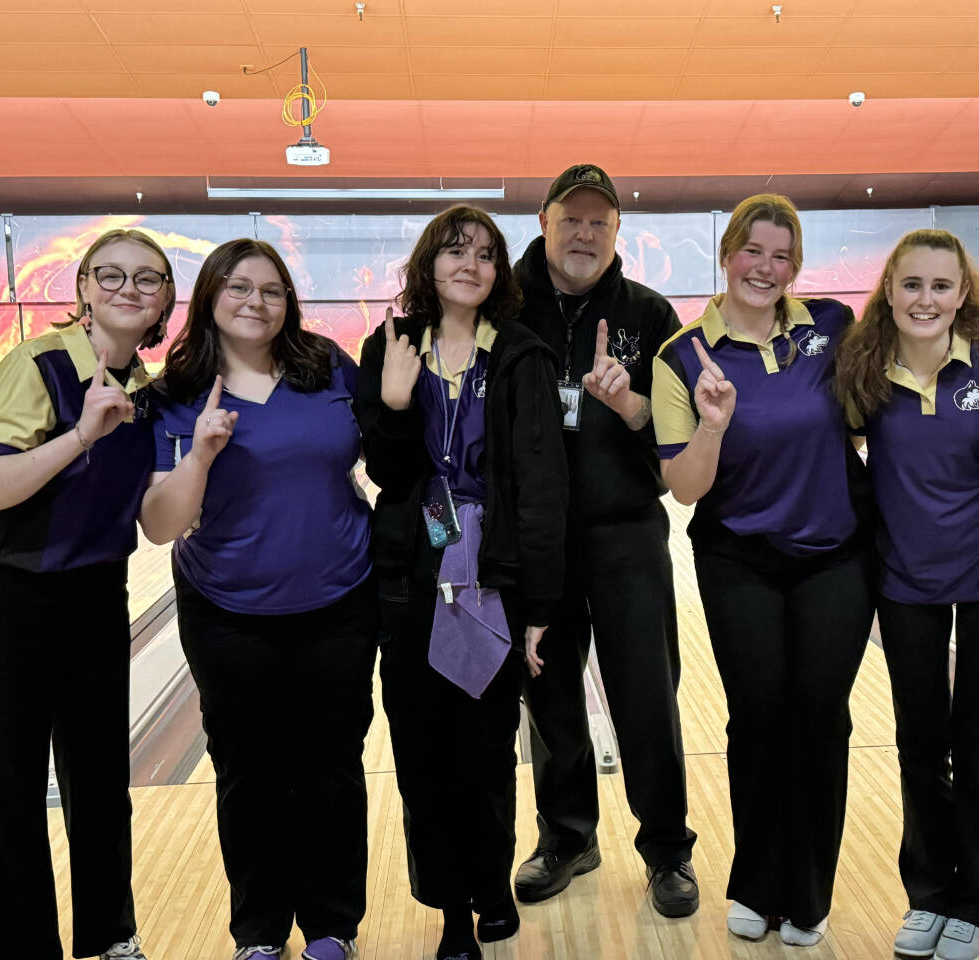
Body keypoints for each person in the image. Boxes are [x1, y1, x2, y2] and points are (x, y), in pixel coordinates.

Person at [138, 239, 376, 960]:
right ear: (211, 296)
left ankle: (333, 926)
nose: (256, 302)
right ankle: (260, 932)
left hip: (340, 596)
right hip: (227, 608)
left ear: (288, 302)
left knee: (332, 765)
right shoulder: (175, 395)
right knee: (250, 772)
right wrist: (203, 453)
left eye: (271, 290)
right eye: (239, 288)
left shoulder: (327, 366)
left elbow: (384, 448)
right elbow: (159, 525)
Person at [652, 193, 874, 947]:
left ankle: (807, 890)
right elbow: (685, 488)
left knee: (821, 717)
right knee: (758, 717)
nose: (766, 268)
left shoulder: (834, 329)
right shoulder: (683, 355)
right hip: (738, 557)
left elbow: (910, 372)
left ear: (797, 267)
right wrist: (714, 424)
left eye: (782, 256)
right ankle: (755, 881)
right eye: (754, 251)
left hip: (835, 556)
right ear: (728, 253)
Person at [355, 206, 568, 960]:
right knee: (424, 751)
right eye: (455, 250)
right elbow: (387, 471)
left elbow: (542, 488)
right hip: (413, 576)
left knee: (484, 749)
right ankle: (450, 909)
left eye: (485, 253)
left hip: (494, 577)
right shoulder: (391, 347)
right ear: (429, 263)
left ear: (499, 271)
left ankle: (490, 885)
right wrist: (394, 403)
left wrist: (539, 606)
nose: (471, 263)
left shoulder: (521, 354)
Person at [837, 230, 979, 960]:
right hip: (906, 582)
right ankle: (928, 894)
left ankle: (975, 904)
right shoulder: (864, 366)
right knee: (920, 744)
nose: (926, 299)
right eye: (911, 285)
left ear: (963, 293)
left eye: (941, 286)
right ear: (889, 292)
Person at [0, 228, 175, 960]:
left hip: (98, 597)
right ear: (85, 289)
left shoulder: (146, 393)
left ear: (164, 304)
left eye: (148, 279)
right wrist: (77, 438)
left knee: (99, 784)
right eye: (112, 275)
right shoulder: (37, 364)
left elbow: (152, 519)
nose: (129, 288)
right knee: (9, 784)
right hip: (14, 596)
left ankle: (110, 935)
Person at [511, 163, 698, 916]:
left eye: (600, 222)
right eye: (571, 218)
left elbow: (675, 435)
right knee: (549, 697)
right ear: (545, 222)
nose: (584, 233)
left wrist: (630, 406)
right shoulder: (507, 304)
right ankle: (566, 837)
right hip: (535, 538)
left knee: (646, 695)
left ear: (617, 232)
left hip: (625, 531)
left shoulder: (650, 315)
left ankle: (667, 850)